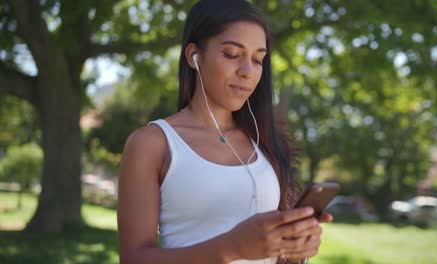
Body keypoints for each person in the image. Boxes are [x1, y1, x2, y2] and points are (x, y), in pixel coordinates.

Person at [117, 1, 333, 263]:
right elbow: (133, 258)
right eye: (232, 54)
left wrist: (297, 248)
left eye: (258, 59)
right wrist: (231, 248)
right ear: (194, 56)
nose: (247, 72)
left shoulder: (265, 142)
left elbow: (275, 253)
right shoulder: (152, 143)